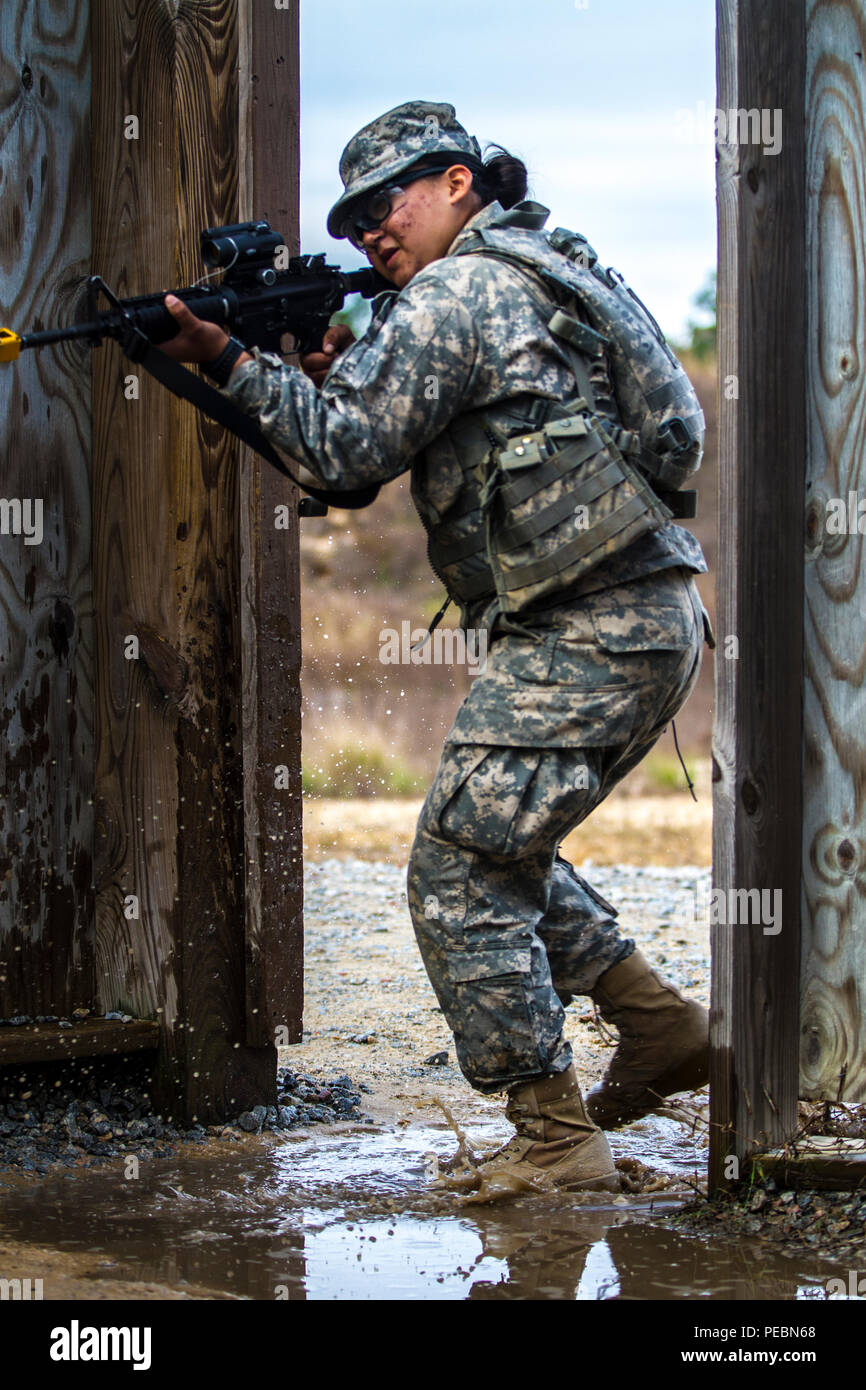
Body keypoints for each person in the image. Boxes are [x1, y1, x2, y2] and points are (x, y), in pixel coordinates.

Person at [160, 100, 714, 1197]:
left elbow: (334, 447)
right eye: (356, 217)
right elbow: (353, 462)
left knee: (455, 866)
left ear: (459, 181)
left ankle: (555, 1141)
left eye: (389, 200)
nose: (372, 230)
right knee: (494, 842)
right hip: (638, 612)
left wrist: (220, 356)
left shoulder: (454, 289)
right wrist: (307, 371)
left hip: (592, 625)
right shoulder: (542, 266)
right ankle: (660, 1027)